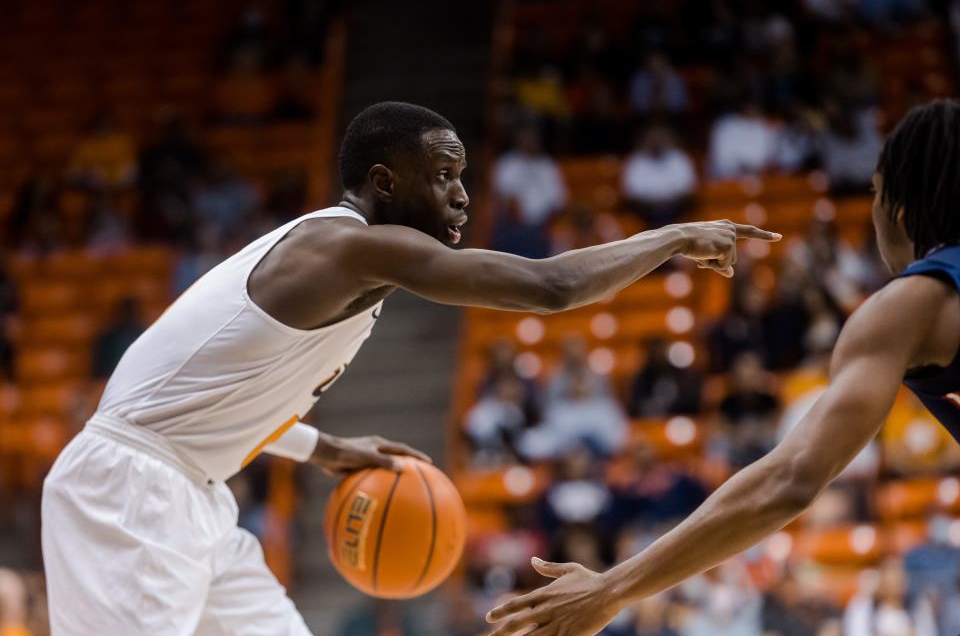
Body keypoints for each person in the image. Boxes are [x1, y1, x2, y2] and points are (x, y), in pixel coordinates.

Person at [40, 101, 776, 635]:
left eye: (465, 175)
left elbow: (194, 393)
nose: (462, 193)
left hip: (190, 489)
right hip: (130, 495)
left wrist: (319, 446)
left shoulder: (347, 266)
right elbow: (550, 287)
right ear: (386, 182)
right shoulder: (347, 247)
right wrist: (677, 234)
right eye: (445, 173)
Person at [483, 98, 960, 636]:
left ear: (897, 211)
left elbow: (790, 478)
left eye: (874, 193)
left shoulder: (910, 307)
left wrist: (611, 589)